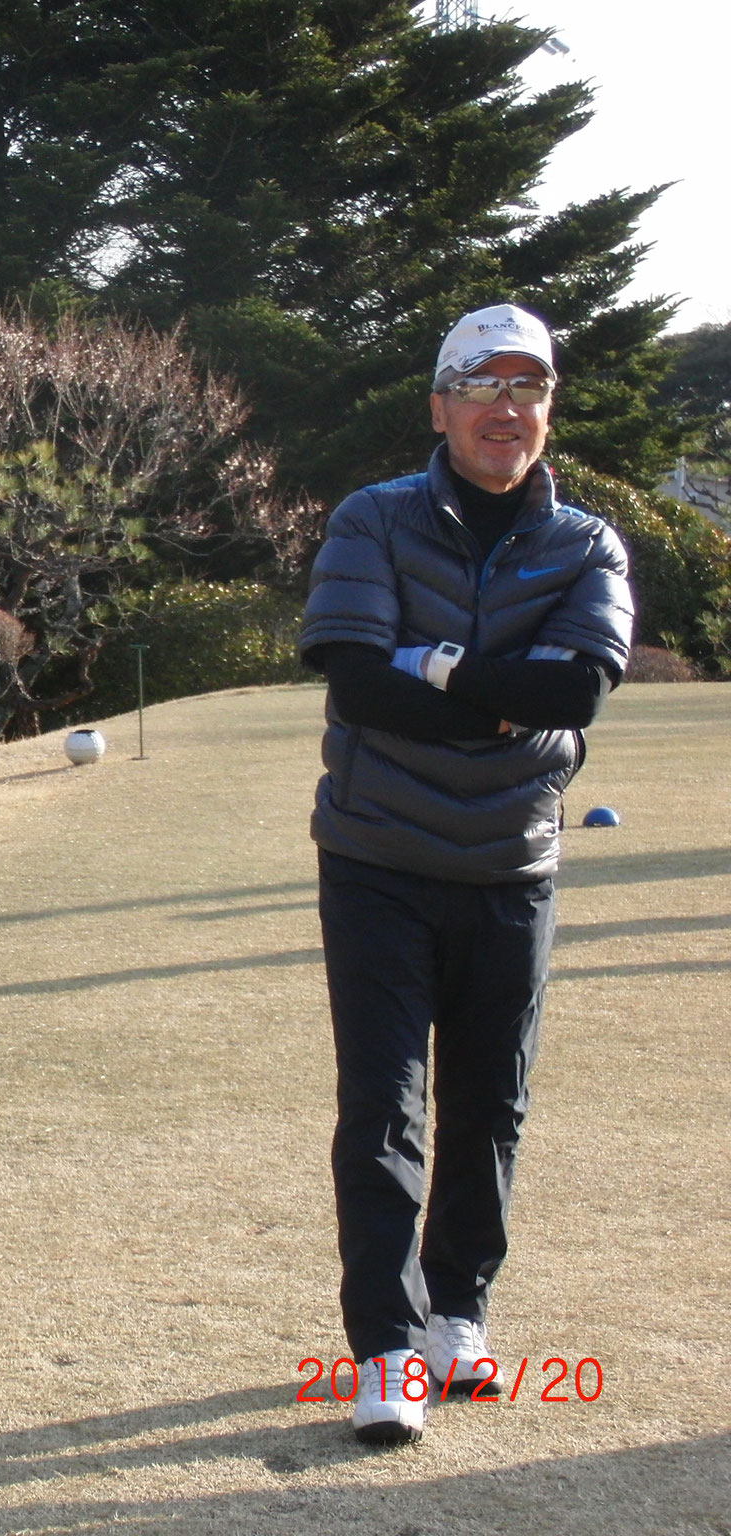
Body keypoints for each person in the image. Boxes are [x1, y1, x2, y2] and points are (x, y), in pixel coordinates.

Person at [298, 304, 631, 1444]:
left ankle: (457, 1314)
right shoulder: (371, 519)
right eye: (481, 386)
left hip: (509, 864)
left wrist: (433, 662)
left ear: (545, 408)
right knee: (382, 1103)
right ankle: (385, 1350)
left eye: (526, 388)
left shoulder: (586, 542)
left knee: (489, 1099)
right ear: (438, 406)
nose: (506, 409)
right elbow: (354, 682)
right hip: (376, 857)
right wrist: (497, 689)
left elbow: (574, 694)